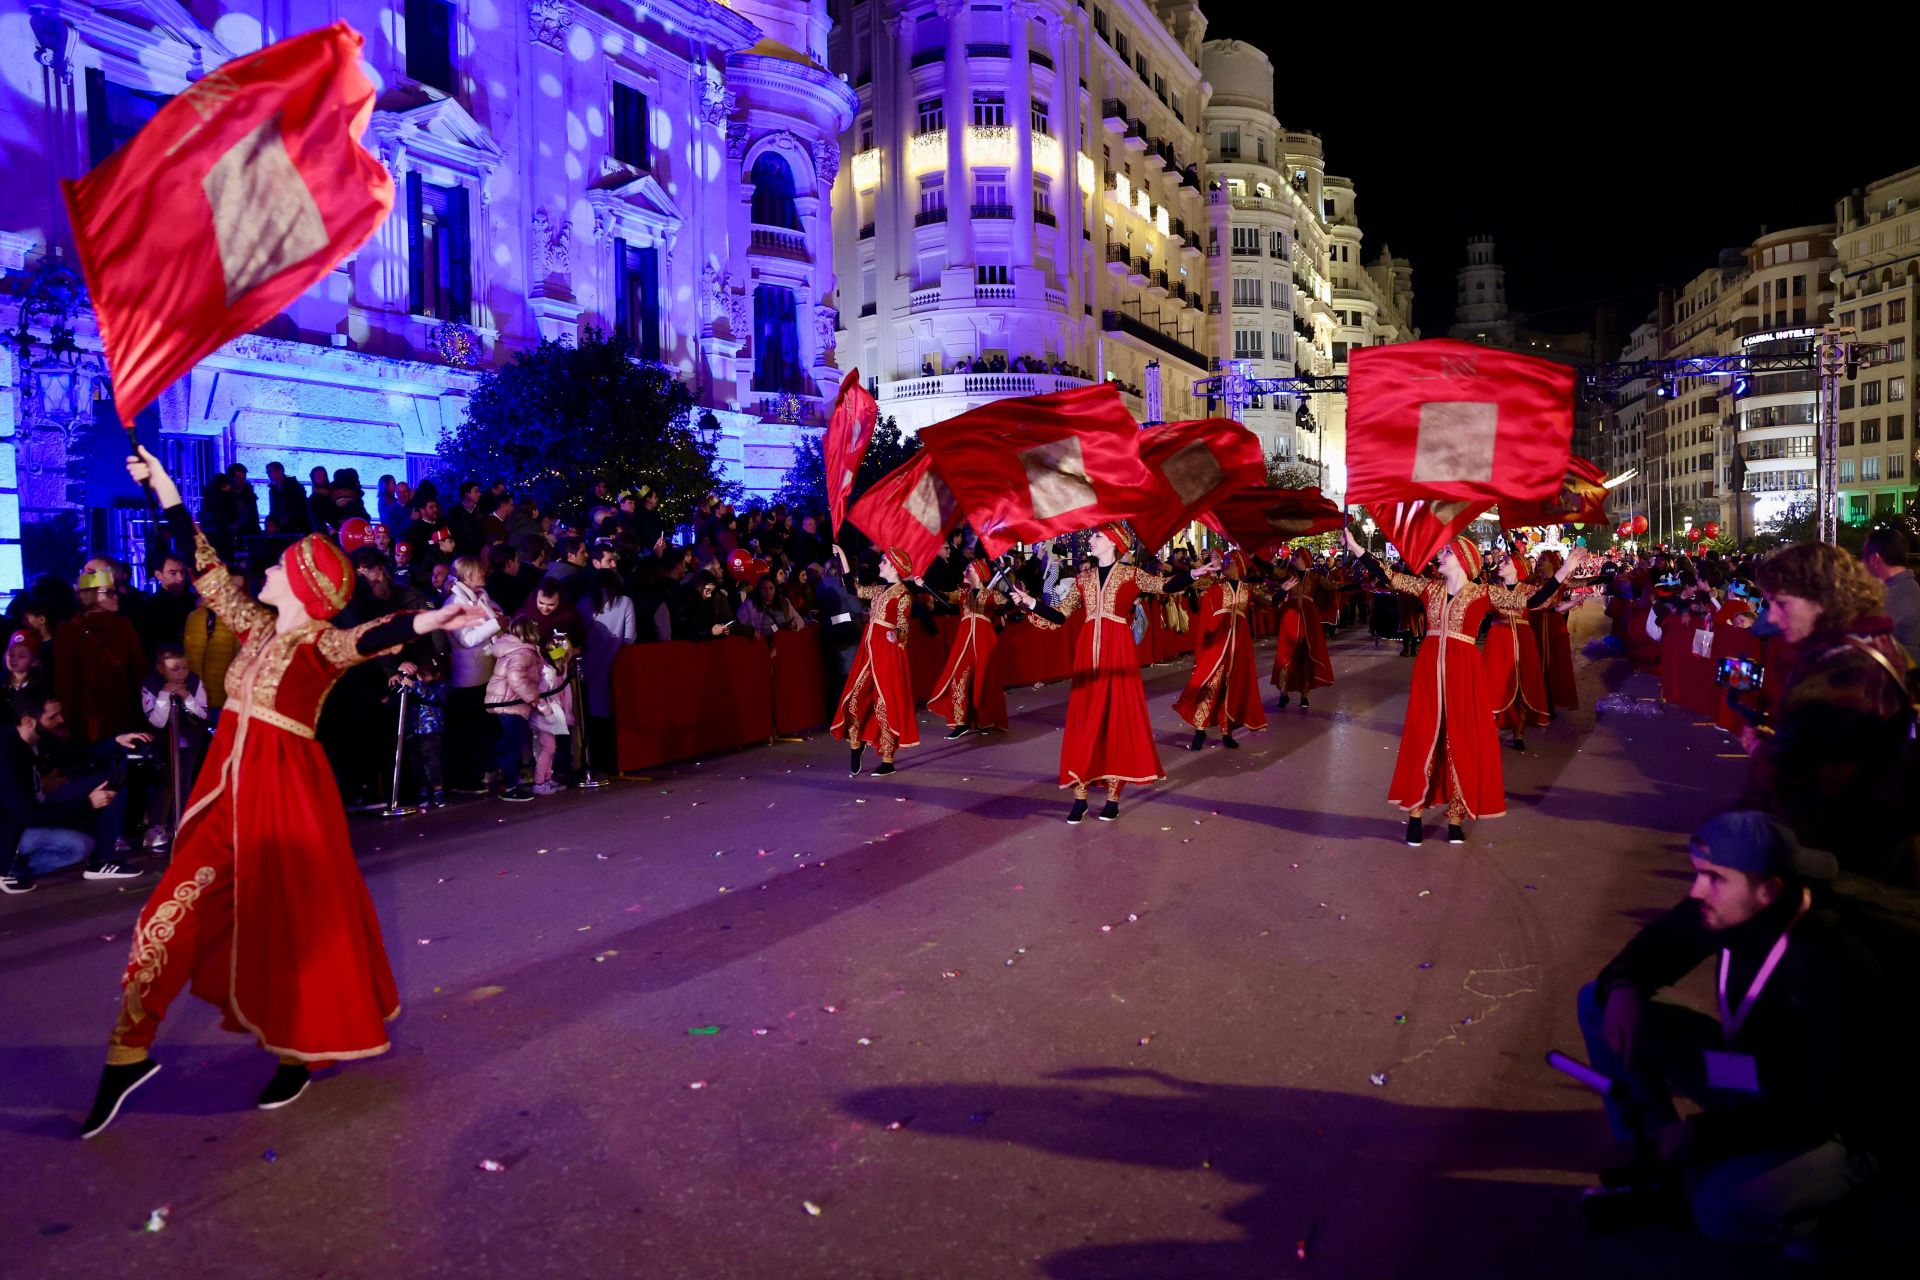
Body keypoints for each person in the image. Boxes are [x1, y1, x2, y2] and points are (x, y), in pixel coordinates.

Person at [79, 446, 489, 1138]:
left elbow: (373, 636)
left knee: (289, 934)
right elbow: (202, 561)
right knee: (165, 916)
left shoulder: (318, 647)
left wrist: (432, 619)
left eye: (277, 565)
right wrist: (166, 486)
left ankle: (297, 1052)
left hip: (283, 807)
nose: (263, 569)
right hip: (225, 802)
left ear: (300, 584)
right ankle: (127, 1052)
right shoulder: (257, 626)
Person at [1574, 812, 1901, 1251]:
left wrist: (1702, 1136)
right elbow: (1651, 951)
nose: (1696, 890)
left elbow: (1818, 1101)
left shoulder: (1830, 956)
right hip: (1758, 1076)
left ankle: (1841, 1225)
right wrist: (1624, 986)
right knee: (1598, 1000)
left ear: (1769, 890)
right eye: (1697, 874)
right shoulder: (1725, 911)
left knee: (1723, 1209)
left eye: (1714, 877)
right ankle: (1658, 1176)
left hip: (1843, 1124)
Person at [1346, 527, 1586, 846]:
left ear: (1462, 559)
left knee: (1461, 739)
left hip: (1465, 671)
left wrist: (1566, 569)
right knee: (1424, 736)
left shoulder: (1483, 593)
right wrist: (1357, 548)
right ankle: (1415, 813)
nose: (1440, 556)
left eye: (1447, 552)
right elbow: (1389, 576)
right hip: (1429, 672)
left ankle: (1456, 816)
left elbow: (1529, 598)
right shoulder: (1428, 587)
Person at [1009, 524, 1211, 823]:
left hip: (1118, 655)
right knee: (1083, 722)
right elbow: (1061, 615)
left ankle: (1113, 797)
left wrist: (1192, 574)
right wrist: (1031, 602)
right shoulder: (1083, 579)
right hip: (1087, 659)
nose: (1091, 539)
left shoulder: (1130, 574)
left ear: (1114, 543)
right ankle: (1080, 797)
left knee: (1115, 721)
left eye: (1097, 536)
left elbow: (1162, 585)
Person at [1741, 541, 1915, 885]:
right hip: (1863, 846)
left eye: (1782, 604)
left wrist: (1763, 752)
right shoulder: (1877, 645)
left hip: (1835, 857)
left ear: (1824, 599)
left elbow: (1807, 779)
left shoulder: (1840, 667)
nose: (1772, 617)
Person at [0, 690, 135, 895]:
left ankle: (103, 860)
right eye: (53, 716)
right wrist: (87, 803)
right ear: (28, 721)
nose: (61, 720)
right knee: (79, 846)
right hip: (10, 829)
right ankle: (9, 867)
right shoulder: (7, 754)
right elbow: (27, 815)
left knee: (106, 780)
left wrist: (116, 741)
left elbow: (76, 755)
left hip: (33, 807)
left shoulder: (39, 737)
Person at [829, 545, 921, 777]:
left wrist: (895, 634)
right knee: (854, 698)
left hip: (887, 653)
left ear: (894, 568)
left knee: (884, 704)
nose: (879, 564)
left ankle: (888, 760)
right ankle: (855, 746)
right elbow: (854, 589)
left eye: (884, 562)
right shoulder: (879, 590)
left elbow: (903, 627)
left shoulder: (903, 595)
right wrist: (842, 556)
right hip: (868, 651)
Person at [1173, 550, 1267, 750]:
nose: (1226, 564)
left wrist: (1283, 592)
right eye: (1225, 561)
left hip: (1239, 646)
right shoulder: (1213, 584)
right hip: (1216, 644)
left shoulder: (1248, 589)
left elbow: (1270, 602)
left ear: (1240, 566)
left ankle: (1227, 732)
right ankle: (1200, 729)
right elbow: (1190, 587)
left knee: (1232, 687)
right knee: (1210, 684)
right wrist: (1198, 573)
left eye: (1230, 562)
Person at [54, 568, 147, 744]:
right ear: (90, 595)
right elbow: (65, 681)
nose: (116, 597)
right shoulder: (69, 630)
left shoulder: (122, 624)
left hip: (107, 714)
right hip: (95, 715)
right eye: (110, 593)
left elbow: (139, 669)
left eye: (116, 592)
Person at [138, 642, 211, 849]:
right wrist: (163, 695)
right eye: (174, 669)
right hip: (162, 743)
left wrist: (187, 697)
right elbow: (157, 721)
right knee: (166, 783)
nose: (181, 674)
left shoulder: (194, 682)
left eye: (184, 668)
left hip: (189, 741)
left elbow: (203, 714)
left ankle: (180, 824)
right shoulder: (150, 684)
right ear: (160, 668)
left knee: (184, 781)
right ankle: (156, 825)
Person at [929, 559, 1010, 738]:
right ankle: (960, 723)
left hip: (984, 641)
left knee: (983, 680)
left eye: (969, 568)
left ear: (979, 573)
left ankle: (985, 720)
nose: (965, 571)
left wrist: (1004, 612)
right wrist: (925, 584)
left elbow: (1010, 604)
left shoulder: (991, 595)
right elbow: (944, 598)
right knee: (960, 677)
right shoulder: (962, 594)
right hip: (964, 641)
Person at [444, 556, 505, 793]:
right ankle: (466, 779)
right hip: (467, 678)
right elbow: (465, 639)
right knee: (468, 731)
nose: (485, 572)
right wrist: (496, 624)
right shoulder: (454, 605)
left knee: (484, 728)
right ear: (467, 576)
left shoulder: (481, 597)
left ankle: (485, 773)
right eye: (480, 570)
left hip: (486, 672)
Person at [1483, 550, 1550, 752]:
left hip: (1523, 639)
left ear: (1517, 568)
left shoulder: (1529, 590)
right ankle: (1491, 729)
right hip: (1498, 639)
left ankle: (1518, 732)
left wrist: (1565, 573)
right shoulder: (1491, 589)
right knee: (1494, 683)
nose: (1500, 562)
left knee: (1522, 685)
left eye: (1505, 561)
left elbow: (1549, 601)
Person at [485, 618, 548, 802]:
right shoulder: (523, 652)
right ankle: (510, 787)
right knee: (511, 745)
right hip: (511, 703)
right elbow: (516, 677)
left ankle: (502, 778)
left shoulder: (509, 647)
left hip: (503, 701)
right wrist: (532, 697)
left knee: (506, 742)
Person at [1271, 547, 1334, 711]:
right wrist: (1253, 556)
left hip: (1309, 620)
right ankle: (1283, 694)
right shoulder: (1286, 574)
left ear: (1305, 559)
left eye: (1297, 556)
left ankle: (1305, 695)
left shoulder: (1315, 577)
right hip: (1290, 619)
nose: (1294, 557)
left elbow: (1335, 587)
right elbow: (1269, 571)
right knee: (1285, 655)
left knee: (1306, 656)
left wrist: (1360, 584)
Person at [1528, 548, 1583, 714]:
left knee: (1554, 663)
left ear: (1552, 562)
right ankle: (1536, 701)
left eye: (1544, 559)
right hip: (1533, 624)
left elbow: (1586, 582)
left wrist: (1612, 577)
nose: (1539, 562)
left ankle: (1549, 700)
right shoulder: (1531, 581)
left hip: (1553, 625)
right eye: (1539, 559)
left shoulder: (1563, 581)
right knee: (1535, 662)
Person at [1861, 525, 1920, 656]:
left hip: (1903, 671)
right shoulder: (1906, 586)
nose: (1862, 564)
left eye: (1863, 557)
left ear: (1875, 559)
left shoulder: (1899, 593)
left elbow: (1862, 628)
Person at [737, 574, 804, 638]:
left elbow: (799, 620)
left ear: (775, 589)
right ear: (759, 590)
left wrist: (794, 624)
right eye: (764, 589)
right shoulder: (749, 606)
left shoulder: (784, 602)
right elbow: (739, 627)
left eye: (771, 588)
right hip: (761, 645)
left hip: (783, 641)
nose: (768, 592)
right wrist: (751, 632)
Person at [265, 462, 310, 536]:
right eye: (268, 472)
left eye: (271, 472)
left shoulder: (295, 487)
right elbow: (273, 510)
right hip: (282, 527)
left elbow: (300, 508)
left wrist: (282, 522)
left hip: (296, 527)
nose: (269, 475)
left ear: (280, 471)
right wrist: (270, 522)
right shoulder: (273, 490)